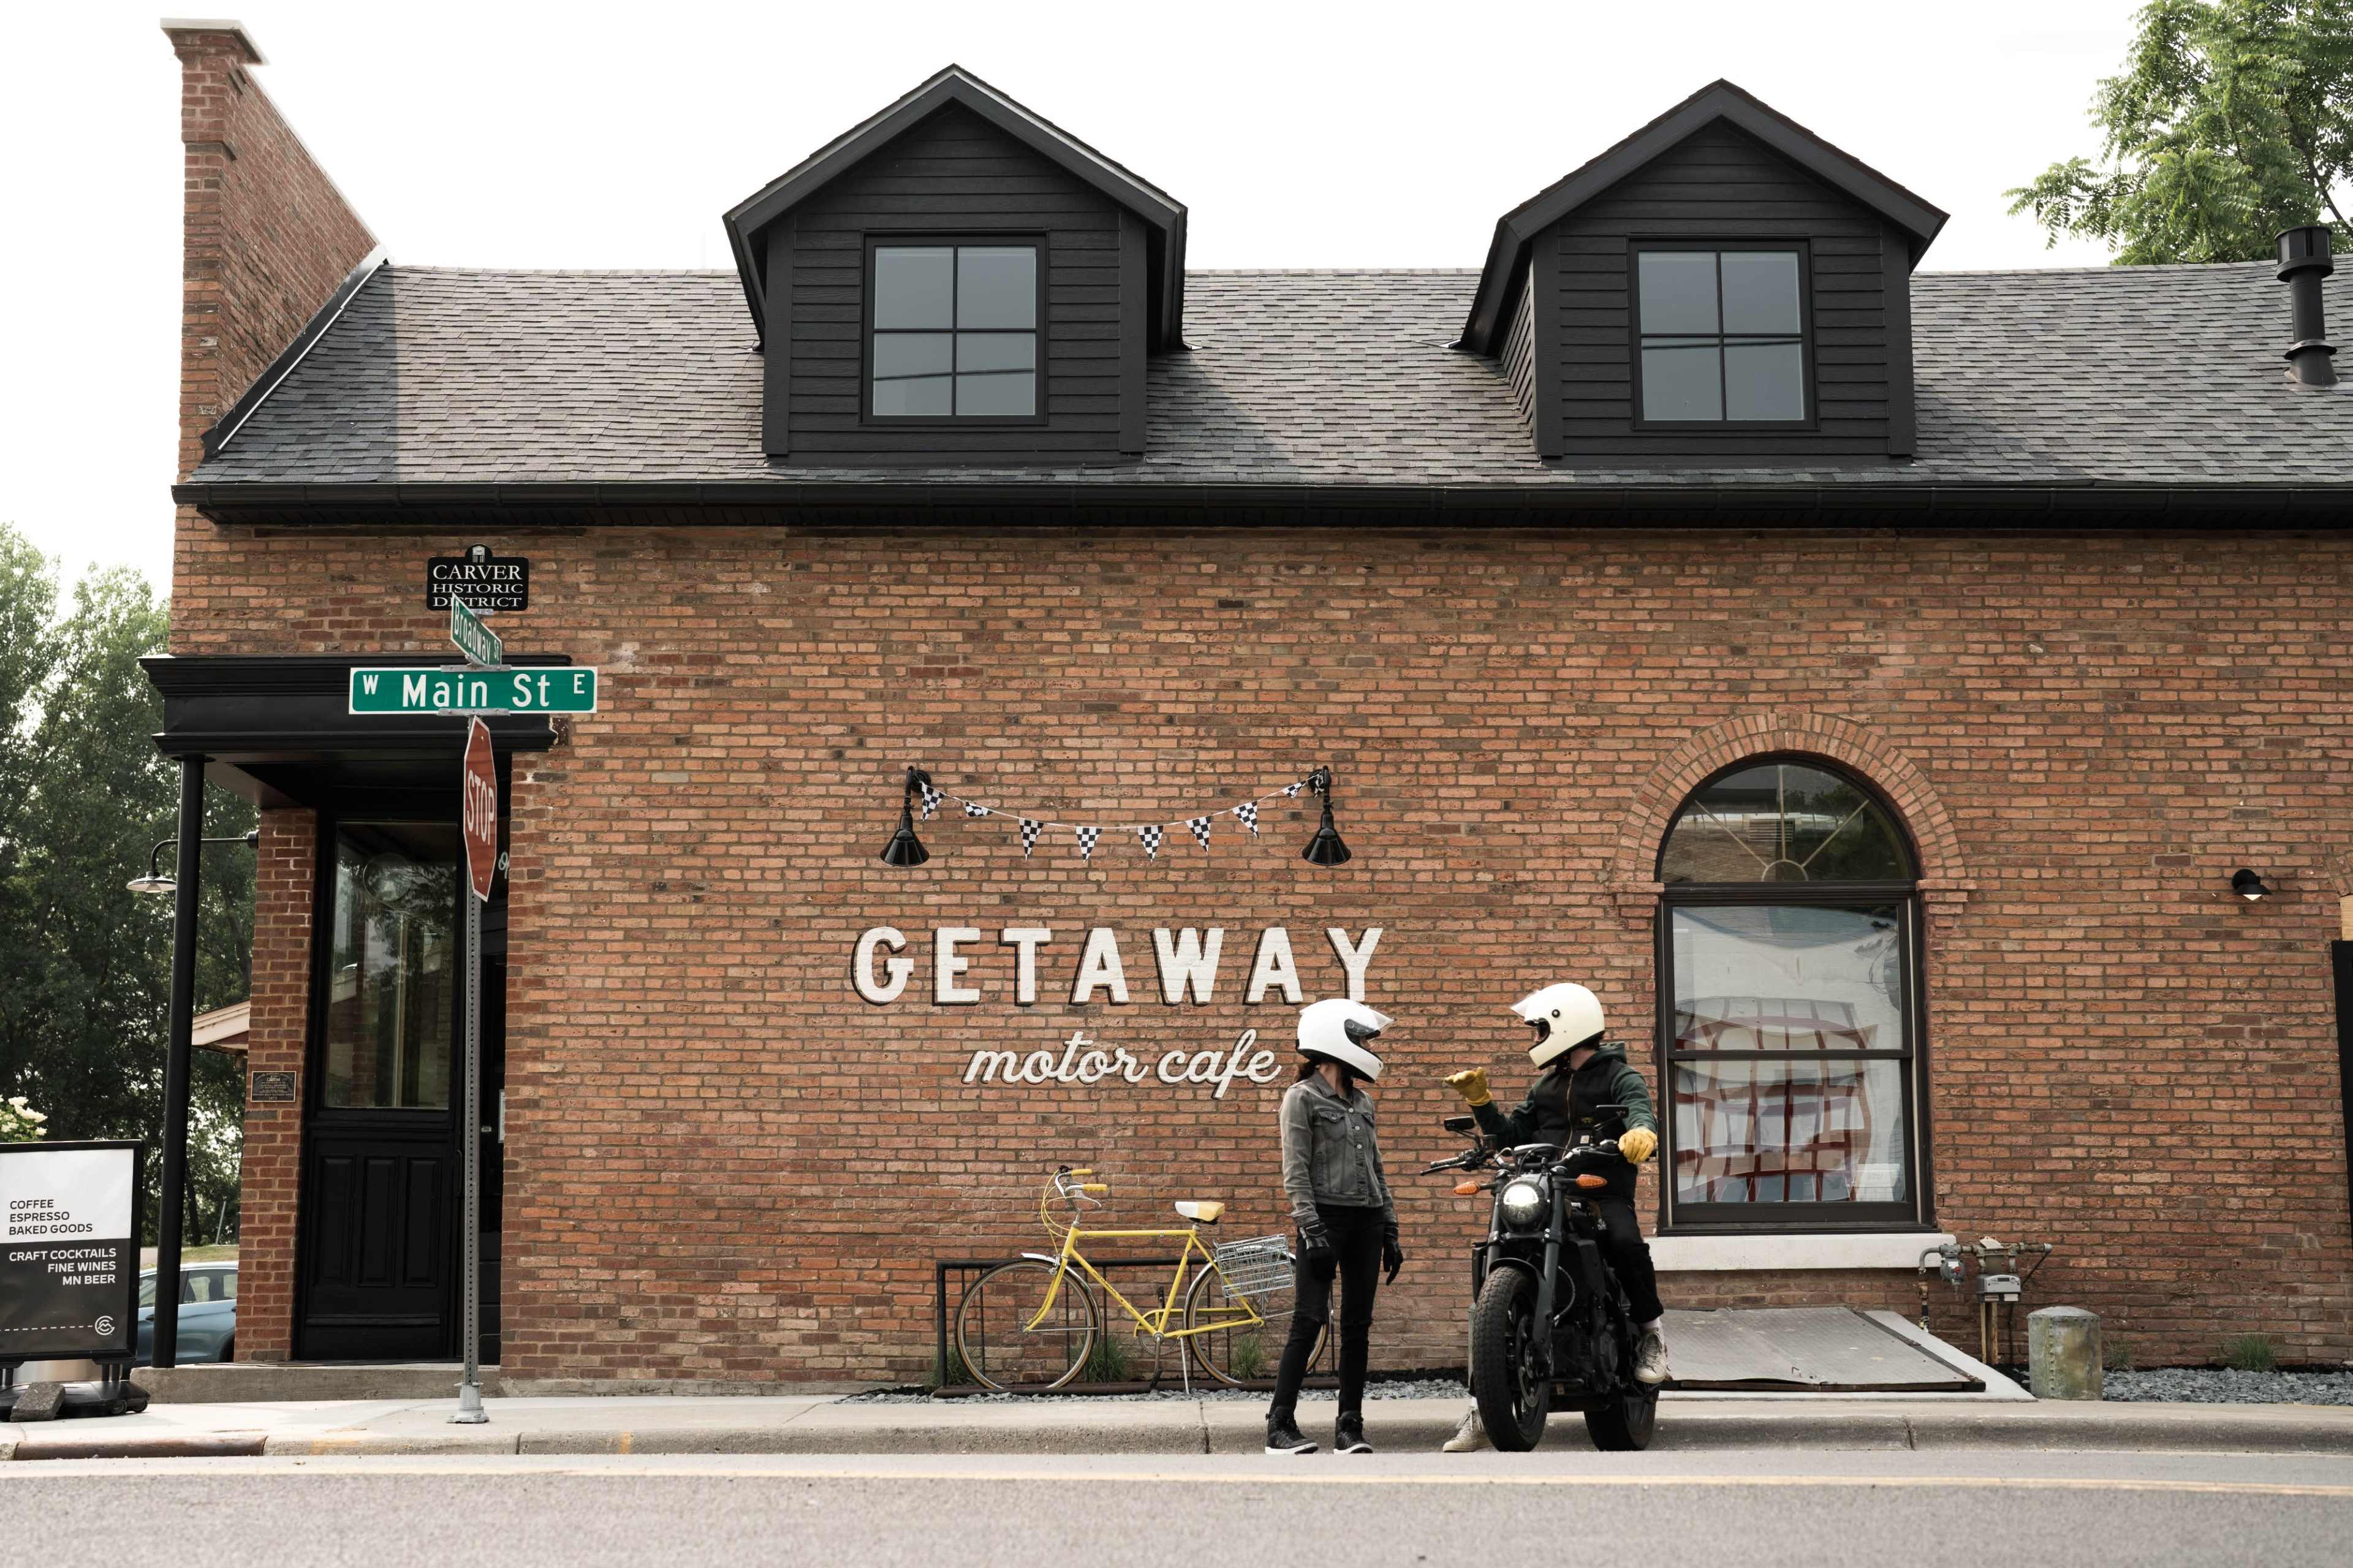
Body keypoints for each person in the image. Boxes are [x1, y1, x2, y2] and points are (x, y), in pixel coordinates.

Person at [1439, 981, 1667, 1453]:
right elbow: (1510, 1136)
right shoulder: (1545, 1085)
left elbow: (1641, 1110)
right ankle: (1485, 1403)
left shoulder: (1619, 1076)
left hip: (1599, 1192)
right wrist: (1481, 1102)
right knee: (1490, 1255)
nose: (1537, 1036)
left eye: (1541, 1027)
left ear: (1567, 1025)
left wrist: (1641, 1131)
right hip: (1545, 1190)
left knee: (1624, 1242)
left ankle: (1651, 1335)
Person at [1265, 997, 1404, 1456]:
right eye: (1361, 1037)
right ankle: (1280, 1425)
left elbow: (1377, 1167)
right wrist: (1312, 1228)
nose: (1367, 1046)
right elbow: (1295, 1171)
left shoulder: (1362, 1101)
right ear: (1334, 1039)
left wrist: (1390, 1227)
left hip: (1365, 1219)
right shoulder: (1300, 1098)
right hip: (1325, 1219)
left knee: (1357, 1326)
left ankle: (1349, 1426)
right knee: (1308, 1320)